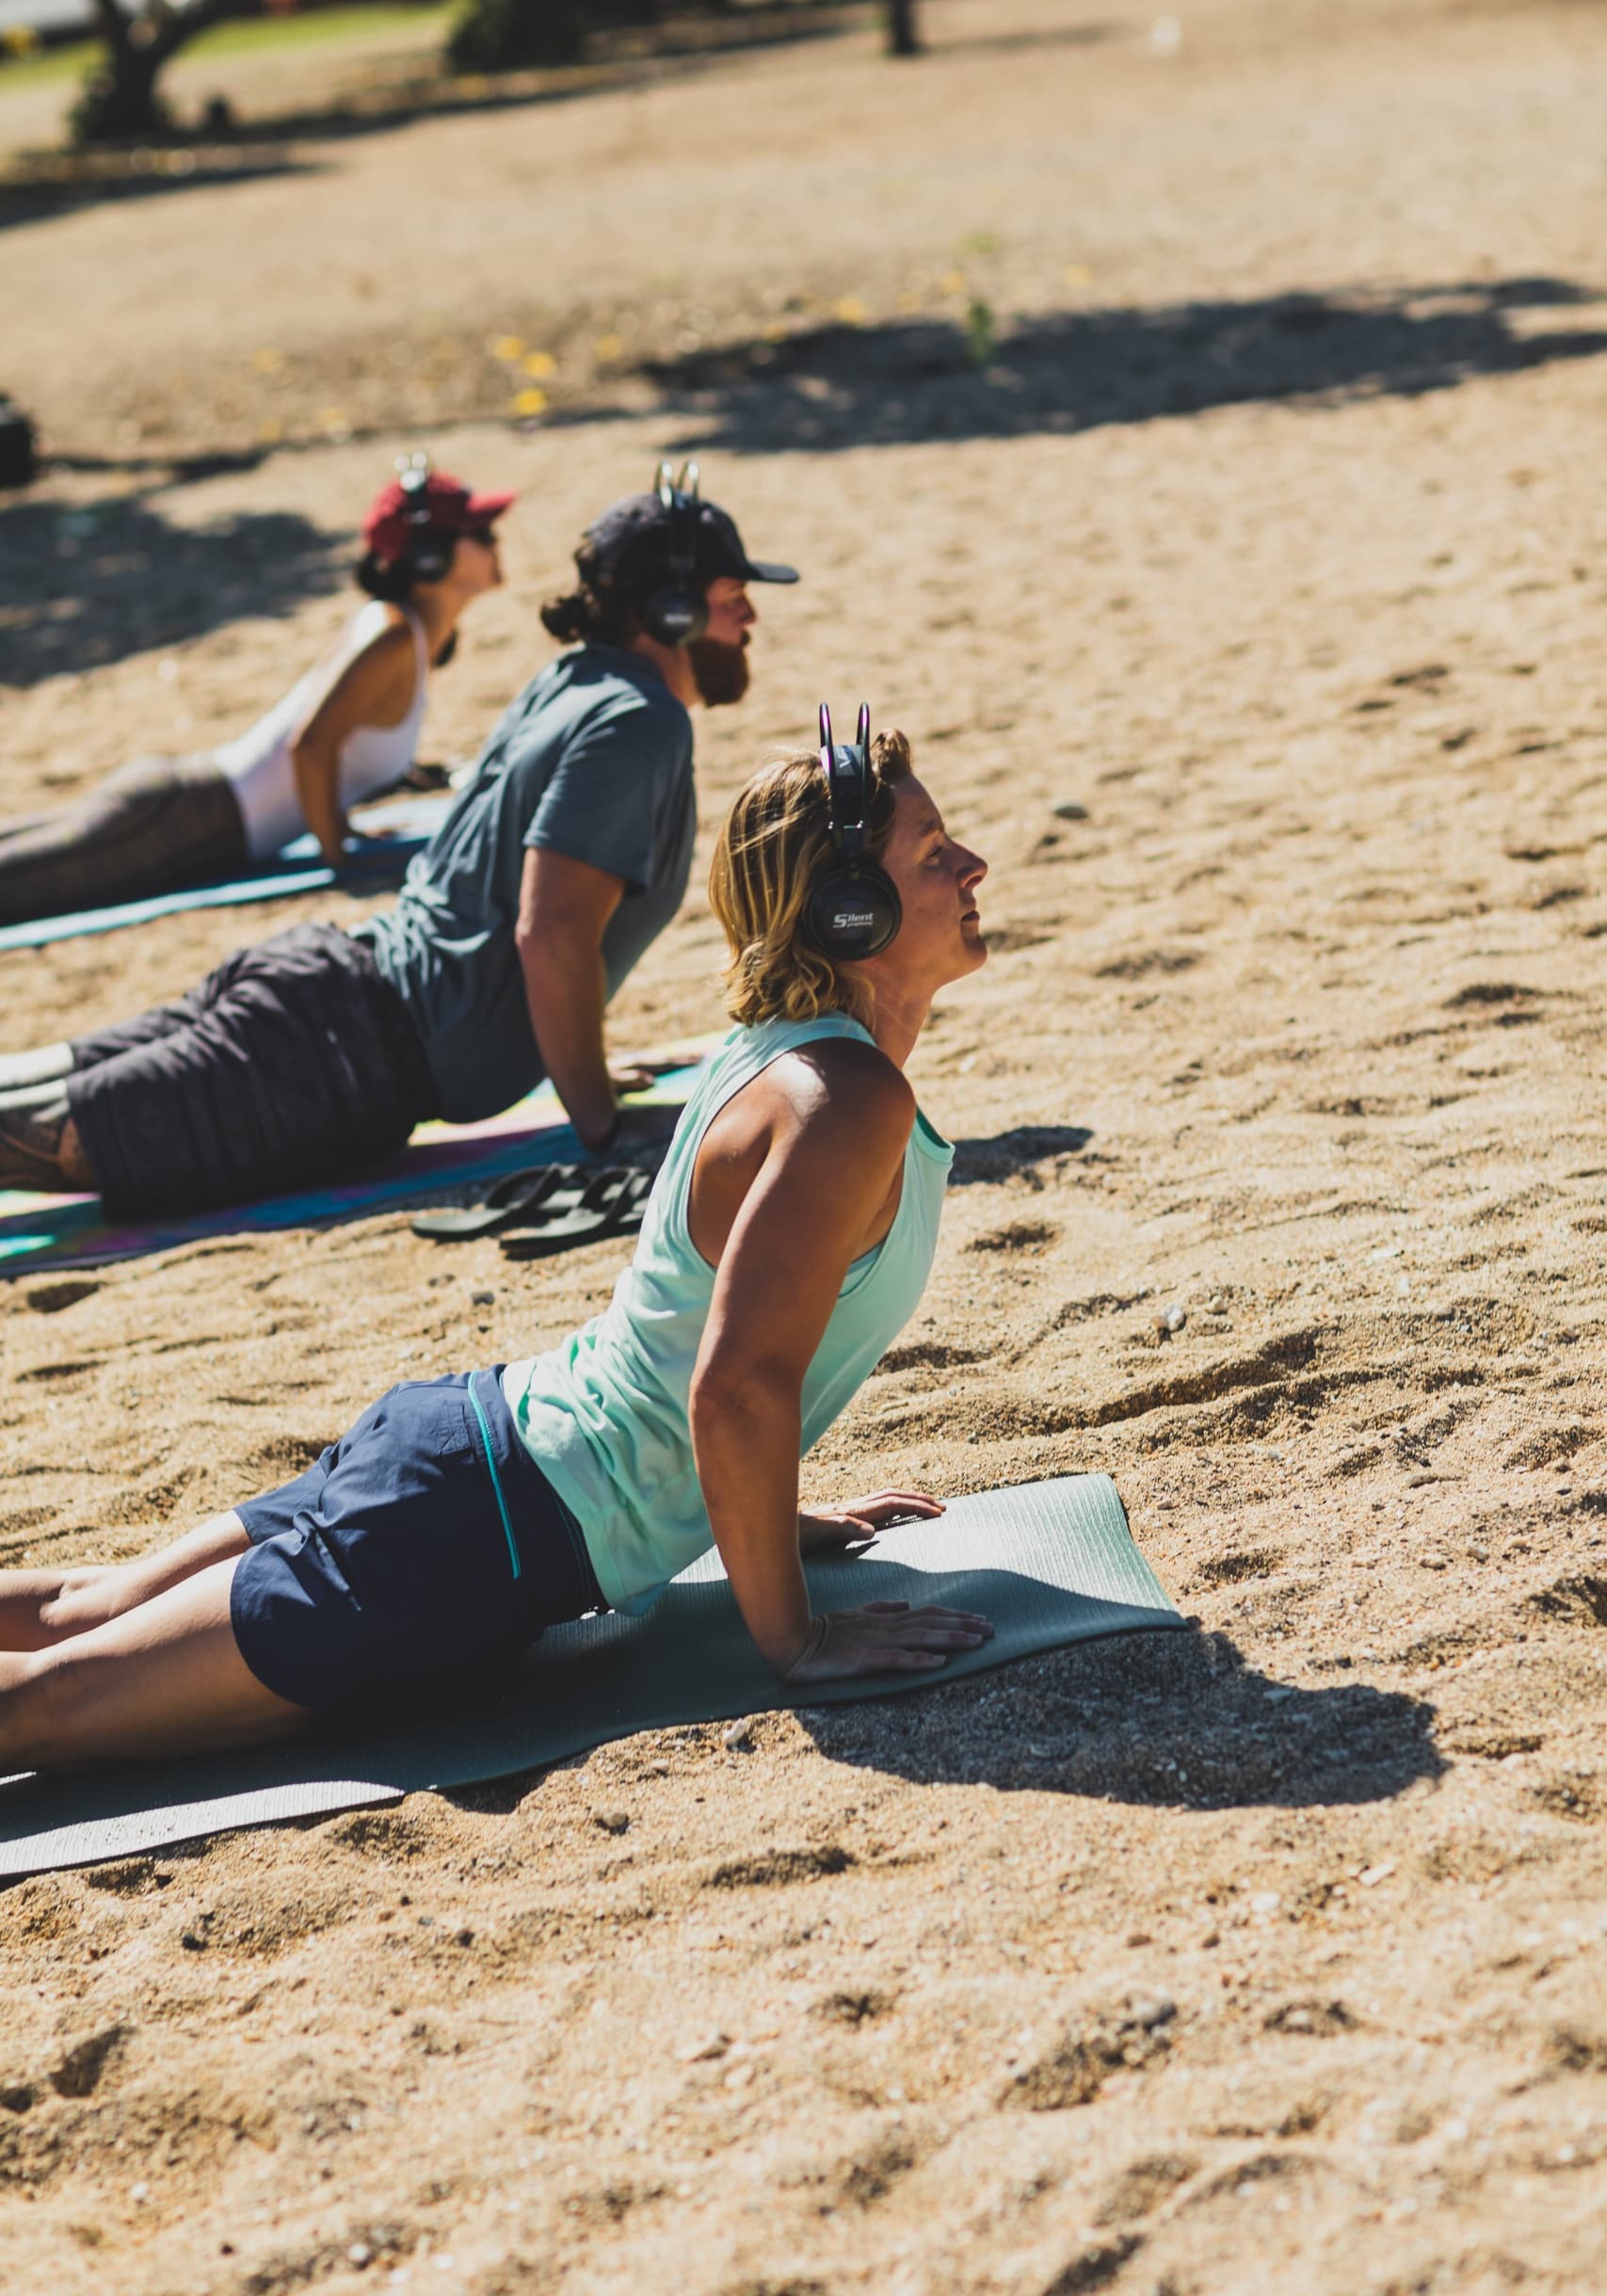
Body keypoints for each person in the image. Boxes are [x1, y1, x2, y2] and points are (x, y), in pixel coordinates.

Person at [0, 714, 995, 1769]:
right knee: (43, 1710)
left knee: (80, 1612)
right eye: (934, 853)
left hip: (466, 1450)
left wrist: (767, 1517)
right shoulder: (843, 1099)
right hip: (476, 1538)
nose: (973, 863)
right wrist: (797, 1638)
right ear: (849, 908)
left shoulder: (789, 1056)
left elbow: (686, 1335)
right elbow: (734, 1386)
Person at [0, 463, 797, 1217]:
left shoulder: (575, 681)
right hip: (337, 1059)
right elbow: (550, 930)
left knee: (33, 1094)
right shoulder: (638, 721)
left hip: (327, 1003)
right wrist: (597, 1122)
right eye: (732, 595)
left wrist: (582, 1068)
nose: (751, 616)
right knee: (58, 1144)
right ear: (673, 612)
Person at [0, 458, 513, 926]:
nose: (496, 544)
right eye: (482, 534)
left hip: (190, 817)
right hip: (184, 825)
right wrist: (340, 859)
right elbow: (310, 745)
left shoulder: (410, 633)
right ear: (428, 558)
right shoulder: (393, 635)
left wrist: (346, 826)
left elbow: (334, 744)